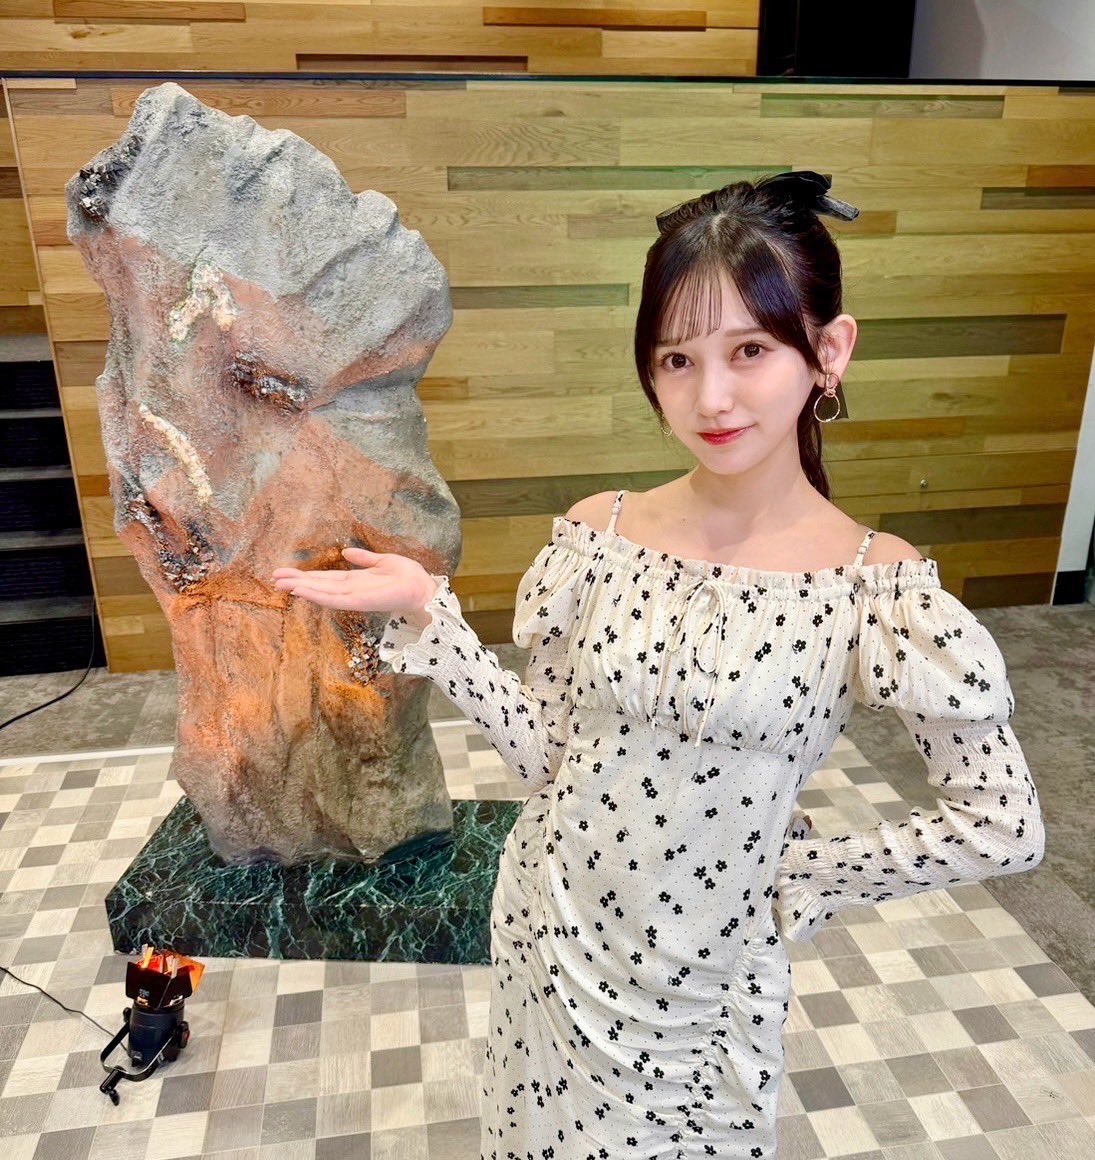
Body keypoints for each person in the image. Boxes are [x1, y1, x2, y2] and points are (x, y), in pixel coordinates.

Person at [271, 171, 1045, 1160]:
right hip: (551, 934)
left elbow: (1002, 824)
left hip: (698, 994)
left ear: (829, 352)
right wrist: (434, 616)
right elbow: (554, 758)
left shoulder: (874, 588)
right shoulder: (599, 535)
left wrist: (809, 868)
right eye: (677, 358)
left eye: (750, 350)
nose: (709, 397)